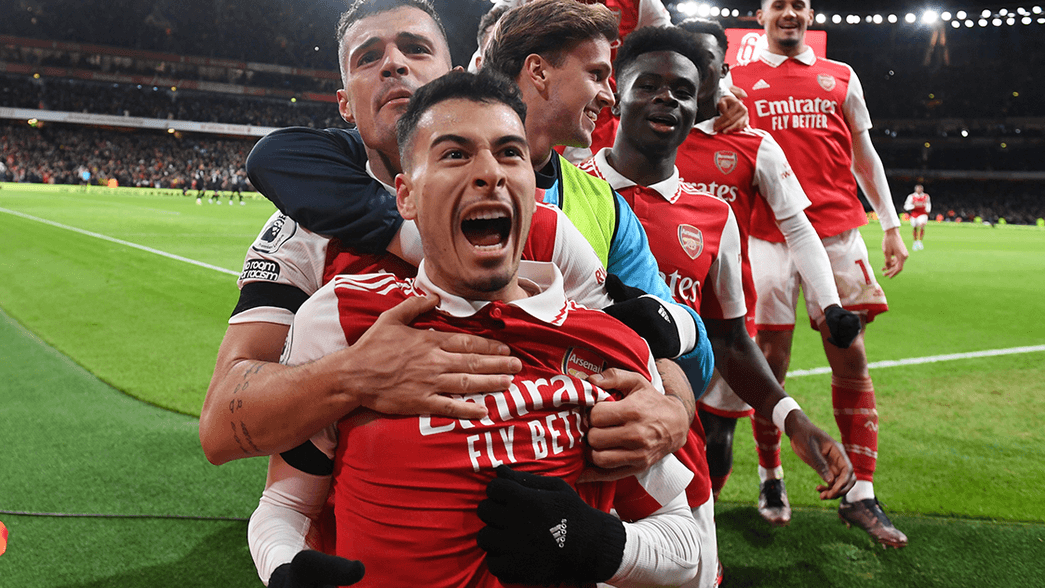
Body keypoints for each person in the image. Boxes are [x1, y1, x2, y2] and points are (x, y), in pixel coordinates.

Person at [200, 0, 700, 484]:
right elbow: (221, 427)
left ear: (455, 78)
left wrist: (673, 410)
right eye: (368, 57)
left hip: (545, 519)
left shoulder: (546, 219)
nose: (393, 64)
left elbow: (641, 331)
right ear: (345, 104)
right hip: (372, 529)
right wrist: (353, 375)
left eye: (416, 48)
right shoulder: (303, 230)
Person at [247, 70, 702, 588]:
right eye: (455, 154)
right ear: (406, 197)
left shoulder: (611, 346)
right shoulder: (343, 319)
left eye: (510, 153)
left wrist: (594, 542)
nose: (490, 173)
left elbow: (685, 545)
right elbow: (284, 507)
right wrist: (285, 568)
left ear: (532, 188)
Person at [578, 25, 854, 582]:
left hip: (677, 450)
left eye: (682, 90)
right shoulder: (565, 191)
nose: (667, 98)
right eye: (647, 85)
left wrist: (794, 420)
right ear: (615, 96)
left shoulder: (714, 216)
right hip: (583, 444)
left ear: (698, 106)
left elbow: (729, 341)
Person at [728, 0, 909, 547]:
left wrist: (891, 224)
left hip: (836, 234)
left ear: (809, 14)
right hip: (765, 235)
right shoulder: (736, 79)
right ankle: (771, 475)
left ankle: (861, 493)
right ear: (761, 14)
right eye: (779, 5)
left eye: (799, 5)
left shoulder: (841, 75)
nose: (790, 13)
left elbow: (864, 154)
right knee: (770, 362)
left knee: (850, 354)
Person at [676, 17, 859, 527]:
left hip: (725, 320)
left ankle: (701, 534)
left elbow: (799, 228)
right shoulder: (639, 135)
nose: (692, 74)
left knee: (717, 436)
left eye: (705, 64)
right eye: (684, 63)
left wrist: (831, 304)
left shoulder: (753, 144)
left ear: (723, 71)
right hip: (654, 313)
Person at [904, 184, 932, 250]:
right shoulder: (911, 196)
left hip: (923, 213)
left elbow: (928, 204)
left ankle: (920, 241)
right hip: (914, 214)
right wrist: (914, 206)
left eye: (920, 189)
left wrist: (928, 210)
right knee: (915, 227)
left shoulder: (926, 196)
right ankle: (915, 241)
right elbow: (906, 206)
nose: (919, 190)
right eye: (918, 189)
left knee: (921, 225)